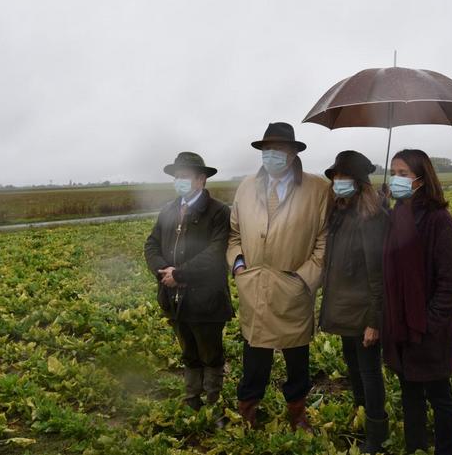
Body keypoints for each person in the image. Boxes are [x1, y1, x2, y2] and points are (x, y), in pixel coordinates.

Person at [227, 122, 330, 431]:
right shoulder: (246, 187)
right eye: (267, 150)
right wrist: (239, 266)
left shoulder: (317, 189)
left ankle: (297, 413)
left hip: (293, 288)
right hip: (254, 286)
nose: (271, 155)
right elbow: (234, 234)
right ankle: (248, 408)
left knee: (297, 356)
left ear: (293, 153)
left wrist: (303, 279)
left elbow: (324, 241)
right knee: (254, 355)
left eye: (279, 150)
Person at [382, 149, 452, 455]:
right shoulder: (397, 215)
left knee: (440, 396)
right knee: (410, 395)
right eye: (393, 173)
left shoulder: (439, 221)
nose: (396, 179)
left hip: (429, 330)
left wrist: (427, 323)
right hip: (401, 325)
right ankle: (415, 448)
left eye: (403, 174)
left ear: (421, 178)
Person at [144, 152, 234, 411]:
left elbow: (215, 253)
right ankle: (192, 399)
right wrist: (163, 271)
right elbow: (151, 244)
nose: (179, 181)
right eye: (177, 177)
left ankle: (214, 402)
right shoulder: (168, 210)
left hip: (206, 299)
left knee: (210, 353)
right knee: (188, 352)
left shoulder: (218, 211)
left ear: (201, 179)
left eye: (185, 176)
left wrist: (180, 274)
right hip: (174, 298)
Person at [319, 150, 388, 454]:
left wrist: (375, 321)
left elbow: (378, 274)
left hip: (363, 312)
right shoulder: (340, 212)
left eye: (344, 177)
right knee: (354, 367)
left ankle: (376, 431)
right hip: (344, 309)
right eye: (335, 177)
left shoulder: (371, 218)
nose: (338, 182)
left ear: (359, 182)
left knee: (369, 372)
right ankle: (361, 416)